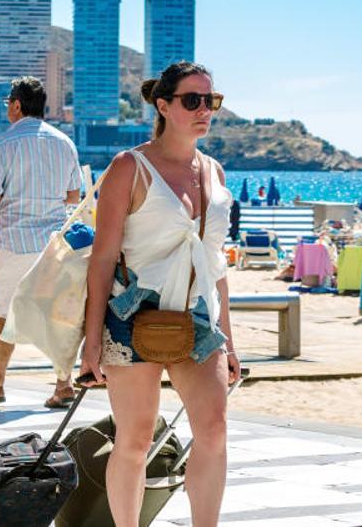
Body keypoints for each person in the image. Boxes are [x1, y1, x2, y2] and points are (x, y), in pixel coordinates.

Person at [79, 61, 238, 527]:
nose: (204, 109)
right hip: (131, 313)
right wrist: (92, 342)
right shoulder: (130, 167)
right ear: (164, 106)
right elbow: (102, 259)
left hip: (198, 315)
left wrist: (228, 336)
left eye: (211, 100)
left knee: (213, 431)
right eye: (192, 100)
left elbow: (215, 262)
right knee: (134, 438)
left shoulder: (214, 171)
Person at [0, 76, 82, 408]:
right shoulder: (64, 142)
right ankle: (64, 385)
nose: (7, 107)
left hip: (14, 240)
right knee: (58, 315)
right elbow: (73, 196)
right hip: (53, 243)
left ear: (17, 105)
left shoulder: (3, 143)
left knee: (5, 313)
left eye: (8, 102)